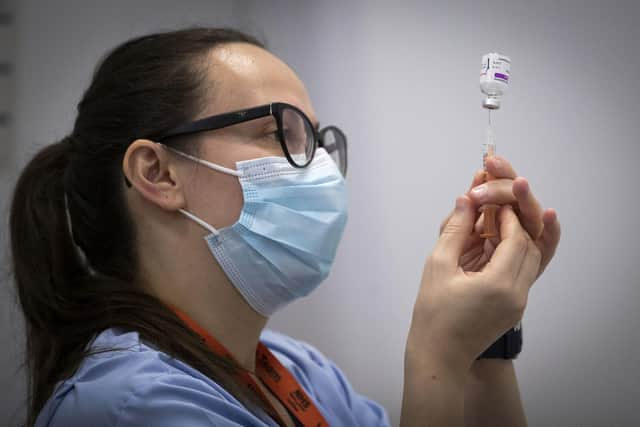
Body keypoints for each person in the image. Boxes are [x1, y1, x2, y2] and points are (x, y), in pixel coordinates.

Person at [9, 27, 560, 427]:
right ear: (158, 172)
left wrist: (485, 346)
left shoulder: (298, 371)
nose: (319, 167)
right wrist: (436, 355)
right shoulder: (127, 406)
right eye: (282, 132)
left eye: (319, 141)